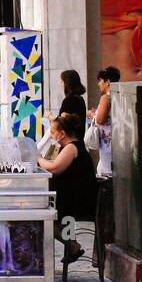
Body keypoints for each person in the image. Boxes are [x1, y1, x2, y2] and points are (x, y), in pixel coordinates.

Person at [38, 110, 98, 265]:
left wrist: (37, 158)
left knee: (42, 217)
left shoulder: (71, 148)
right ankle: (71, 245)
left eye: (52, 132)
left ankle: (72, 245)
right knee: (47, 213)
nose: (51, 135)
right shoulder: (68, 147)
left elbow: (54, 167)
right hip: (71, 198)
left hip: (79, 201)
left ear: (62, 133)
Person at [88, 66, 119, 179]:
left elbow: (100, 120)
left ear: (108, 82)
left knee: (105, 171)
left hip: (106, 143)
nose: (99, 84)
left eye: (100, 80)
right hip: (116, 141)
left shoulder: (106, 98)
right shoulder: (119, 95)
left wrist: (93, 115)